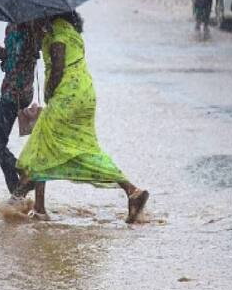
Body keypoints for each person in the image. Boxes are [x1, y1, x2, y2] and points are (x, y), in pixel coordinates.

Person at [16, 12, 149, 223]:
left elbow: (58, 66)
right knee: (79, 147)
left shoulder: (57, 32)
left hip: (67, 96)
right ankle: (132, 192)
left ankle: (34, 206)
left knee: (43, 146)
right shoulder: (70, 29)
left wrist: (50, 91)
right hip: (85, 94)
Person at [0, 23, 41, 198]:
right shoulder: (15, 27)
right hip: (16, 92)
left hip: (15, 94)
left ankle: (21, 170)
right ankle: (17, 193)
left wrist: (10, 62)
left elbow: (18, 61)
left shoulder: (29, 28)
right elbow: (9, 57)